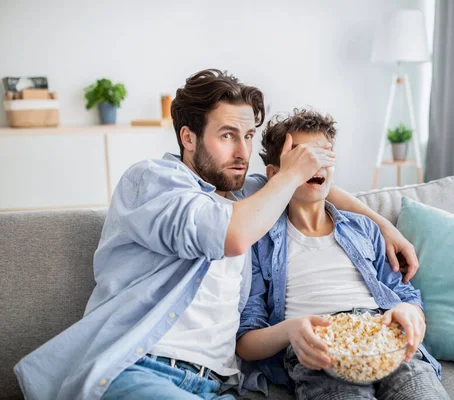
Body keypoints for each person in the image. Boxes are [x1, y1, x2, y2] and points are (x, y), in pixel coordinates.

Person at [13, 69, 420, 400]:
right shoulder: (153, 181)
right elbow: (233, 235)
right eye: (227, 136)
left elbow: (314, 186)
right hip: (140, 369)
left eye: (248, 136)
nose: (243, 153)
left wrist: (382, 223)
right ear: (188, 138)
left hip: (220, 385)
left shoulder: (244, 192)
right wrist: (290, 174)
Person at [236, 109, 450, 399]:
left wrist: (409, 312)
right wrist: (291, 330)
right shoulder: (259, 240)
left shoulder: (363, 228)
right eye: (303, 157)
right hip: (319, 356)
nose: (316, 165)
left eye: (324, 155)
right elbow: (246, 340)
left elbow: (404, 293)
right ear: (275, 174)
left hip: (384, 340)